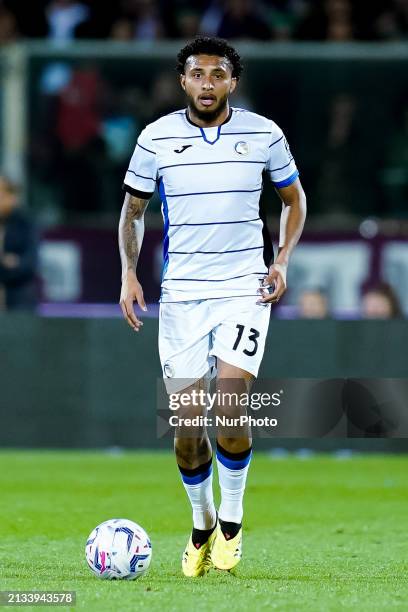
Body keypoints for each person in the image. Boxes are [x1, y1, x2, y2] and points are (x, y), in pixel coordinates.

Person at [118, 36, 306, 576]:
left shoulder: (264, 134)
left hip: (244, 288)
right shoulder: (156, 139)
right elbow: (133, 210)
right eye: (197, 74)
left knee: (230, 406)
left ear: (232, 82)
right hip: (182, 295)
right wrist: (130, 273)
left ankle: (232, 522)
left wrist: (282, 260)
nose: (207, 83)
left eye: (217, 74)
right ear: (183, 81)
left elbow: (293, 200)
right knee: (186, 427)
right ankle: (201, 524)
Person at [0, 175, 38, 311]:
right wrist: (5, 262)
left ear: (11, 197)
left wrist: (14, 266)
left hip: (19, 302)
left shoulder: (25, 222)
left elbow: (30, 263)